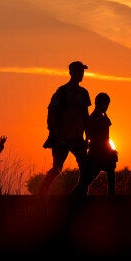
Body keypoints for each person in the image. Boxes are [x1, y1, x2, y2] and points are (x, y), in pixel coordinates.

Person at [37, 61, 91, 196]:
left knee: (86, 168)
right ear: (71, 72)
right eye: (78, 71)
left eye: (82, 71)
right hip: (62, 138)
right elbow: (51, 114)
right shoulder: (62, 91)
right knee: (57, 168)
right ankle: (41, 194)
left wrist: (87, 137)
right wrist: (56, 135)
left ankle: (80, 195)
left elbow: (86, 117)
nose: (81, 74)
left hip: (78, 138)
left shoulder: (84, 93)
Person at [72, 93, 118, 196]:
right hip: (96, 153)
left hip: (105, 152)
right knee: (86, 181)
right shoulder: (93, 118)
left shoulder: (103, 117)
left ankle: (111, 199)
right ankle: (72, 199)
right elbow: (89, 136)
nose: (106, 107)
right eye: (105, 104)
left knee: (110, 174)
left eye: (107, 105)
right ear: (98, 104)